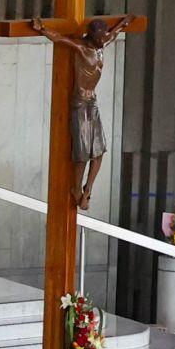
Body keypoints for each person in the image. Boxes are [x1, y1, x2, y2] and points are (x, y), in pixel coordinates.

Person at [28, 16, 127, 210]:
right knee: (82, 154)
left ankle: (87, 190)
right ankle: (76, 190)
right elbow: (59, 38)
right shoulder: (82, 48)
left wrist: (127, 21)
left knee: (100, 151)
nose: (103, 39)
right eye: (99, 36)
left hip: (93, 102)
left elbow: (117, 31)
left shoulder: (102, 45)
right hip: (80, 103)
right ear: (91, 36)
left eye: (104, 35)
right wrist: (42, 29)